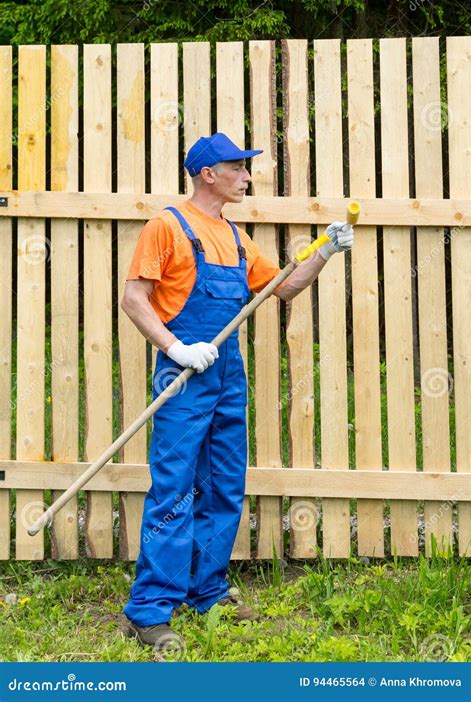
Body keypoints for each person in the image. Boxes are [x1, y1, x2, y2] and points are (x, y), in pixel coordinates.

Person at [121, 132, 353, 649]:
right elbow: (134, 298)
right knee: (175, 487)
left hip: (226, 374)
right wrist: (176, 347)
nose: (247, 176)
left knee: (224, 483)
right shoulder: (167, 226)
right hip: (184, 375)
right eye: (238, 168)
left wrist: (326, 253)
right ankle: (150, 607)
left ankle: (207, 590)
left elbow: (283, 287)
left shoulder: (234, 235)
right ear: (209, 174)